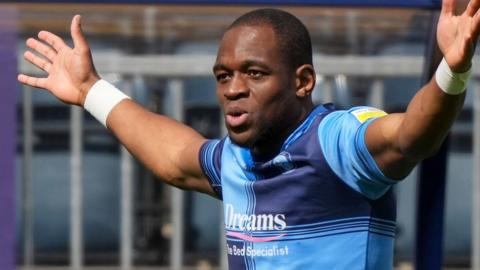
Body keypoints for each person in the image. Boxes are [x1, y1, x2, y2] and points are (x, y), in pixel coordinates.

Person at [17, 1, 479, 269]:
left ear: (302, 81)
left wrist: (452, 71)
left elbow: (409, 138)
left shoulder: (336, 141)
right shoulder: (237, 158)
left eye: (254, 74)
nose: (234, 89)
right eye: (223, 76)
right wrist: (89, 90)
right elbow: (173, 158)